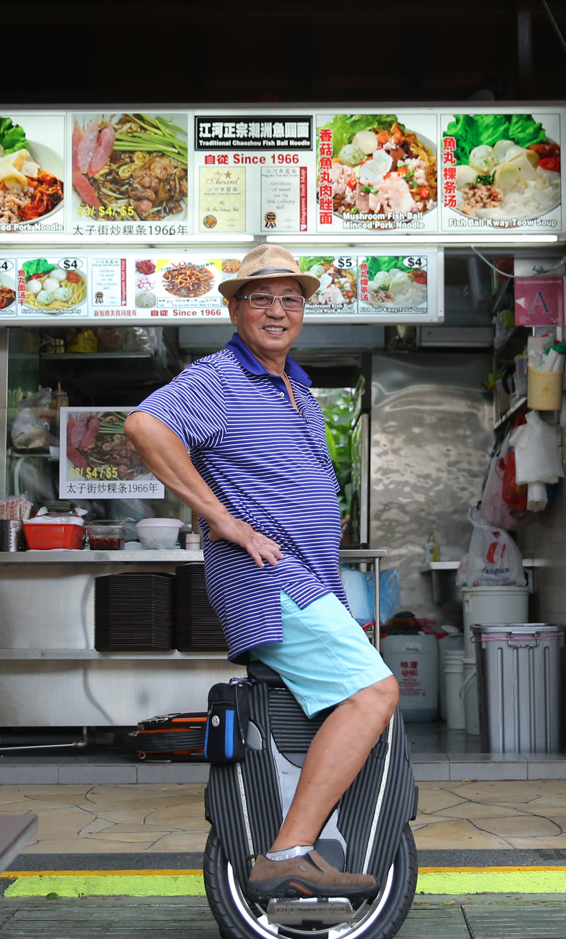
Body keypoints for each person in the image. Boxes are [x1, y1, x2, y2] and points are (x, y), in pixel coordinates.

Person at [126, 244, 398, 901]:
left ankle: (303, 840)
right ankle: (289, 851)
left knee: (356, 693)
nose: (278, 312)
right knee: (374, 694)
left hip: (305, 581)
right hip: (269, 582)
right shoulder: (218, 378)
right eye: (261, 298)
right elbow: (145, 426)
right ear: (232, 307)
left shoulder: (295, 384)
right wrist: (224, 520)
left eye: (291, 300)